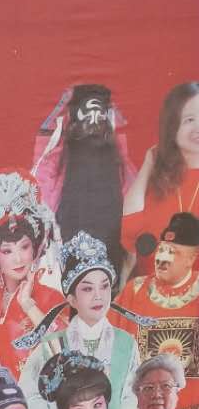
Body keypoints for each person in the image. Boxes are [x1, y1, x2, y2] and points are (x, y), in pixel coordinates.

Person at [19, 232, 140, 409]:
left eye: (104, 286)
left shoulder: (126, 343)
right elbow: (29, 397)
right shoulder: (51, 345)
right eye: (87, 288)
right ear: (72, 299)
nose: (98, 296)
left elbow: (132, 398)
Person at [32, 84, 137, 276]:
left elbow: (134, 206)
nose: (92, 126)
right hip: (68, 254)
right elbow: (39, 188)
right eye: (86, 118)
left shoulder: (119, 164)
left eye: (99, 118)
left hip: (111, 254)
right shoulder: (59, 160)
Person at [0, 168, 63, 379]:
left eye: (24, 247)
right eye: (7, 251)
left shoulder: (51, 299)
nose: (18, 259)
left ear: (34, 248)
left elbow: (65, 353)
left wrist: (28, 304)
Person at [117, 212, 199, 409]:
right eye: (161, 249)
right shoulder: (135, 290)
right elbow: (112, 350)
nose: (162, 258)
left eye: (173, 252)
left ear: (191, 259)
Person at [121, 82, 199, 280]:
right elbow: (129, 232)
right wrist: (149, 163)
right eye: (189, 120)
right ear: (172, 126)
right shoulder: (159, 177)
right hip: (154, 292)